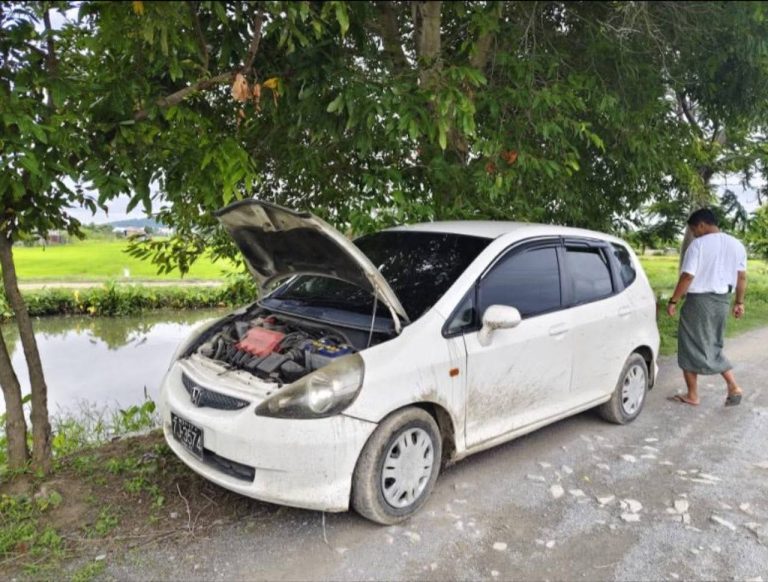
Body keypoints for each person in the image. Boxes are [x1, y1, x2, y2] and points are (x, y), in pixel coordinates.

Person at [666, 208, 747, 406]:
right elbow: (742, 277)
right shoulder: (736, 245)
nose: (694, 233)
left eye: (694, 229)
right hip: (722, 301)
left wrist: (674, 300)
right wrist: (739, 302)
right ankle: (733, 386)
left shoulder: (698, 245)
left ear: (702, 225)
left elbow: (687, 276)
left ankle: (692, 395)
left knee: (688, 345)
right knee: (713, 344)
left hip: (699, 302)